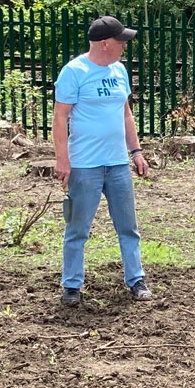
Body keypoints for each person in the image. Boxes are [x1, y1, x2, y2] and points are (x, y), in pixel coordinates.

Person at [53, 16, 152, 306]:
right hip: (85, 165)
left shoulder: (119, 71)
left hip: (117, 163)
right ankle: (71, 285)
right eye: (121, 41)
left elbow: (126, 114)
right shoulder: (74, 71)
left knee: (128, 226)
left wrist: (136, 152)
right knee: (78, 229)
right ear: (105, 43)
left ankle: (136, 279)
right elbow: (60, 117)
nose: (125, 45)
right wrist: (63, 160)